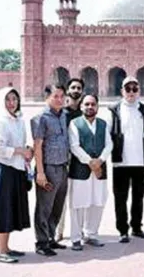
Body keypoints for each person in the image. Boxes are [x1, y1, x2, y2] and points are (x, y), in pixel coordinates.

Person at [0, 87, 32, 264]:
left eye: (14, 99)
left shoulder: (18, 120)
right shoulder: (1, 122)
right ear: (1, 102)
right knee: (3, 209)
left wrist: (27, 151)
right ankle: (0, 251)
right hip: (5, 170)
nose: (12, 103)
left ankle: (6, 248)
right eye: (8, 100)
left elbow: (21, 143)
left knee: (10, 209)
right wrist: (20, 151)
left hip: (17, 169)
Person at [108, 76, 144, 243]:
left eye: (134, 89)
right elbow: (108, 136)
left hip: (140, 160)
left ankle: (136, 227)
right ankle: (122, 230)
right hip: (120, 161)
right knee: (120, 197)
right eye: (127, 89)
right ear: (122, 91)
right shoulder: (114, 110)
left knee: (138, 196)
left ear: (139, 91)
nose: (131, 92)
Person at [67, 94, 113, 251]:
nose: (90, 107)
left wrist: (100, 160)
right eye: (86, 104)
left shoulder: (103, 124)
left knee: (97, 202)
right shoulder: (75, 124)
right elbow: (74, 146)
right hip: (80, 170)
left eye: (93, 104)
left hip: (100, 169)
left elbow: (109, 145)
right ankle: (76, 237)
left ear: (97, 106)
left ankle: (91, 234)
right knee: (78, 204)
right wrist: (90, 161)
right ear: (81, 106)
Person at [31, 84, 70, 256]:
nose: (60, 99)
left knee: (57, 206)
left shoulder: (64, 115)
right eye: (56, 96)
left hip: (62, 166)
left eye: (62, 96)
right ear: (47, 97)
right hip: (48, 168)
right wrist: (40, 173)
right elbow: (37, 146)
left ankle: (50, 238)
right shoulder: (41, 117)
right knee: (44, 207)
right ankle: (41, 243)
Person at [56, 77, 84, 242]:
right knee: (61, 196)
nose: (76, 90)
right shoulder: (61, 113)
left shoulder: (84, 112)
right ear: (68, 90)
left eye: (79, 88)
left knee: (79, 196)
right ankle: (58, 231)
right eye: (73, 87)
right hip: (65, 158)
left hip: (80, 159)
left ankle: (79, 231)